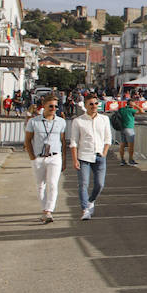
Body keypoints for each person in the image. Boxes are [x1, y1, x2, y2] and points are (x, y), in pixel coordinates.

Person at [67, 95, 112, 220]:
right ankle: (85, 209)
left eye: (96, 104)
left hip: (99, 156)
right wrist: (75, 159)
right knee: (83, 184)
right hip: (84, 156)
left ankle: (91, 200)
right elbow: (74, 142)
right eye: (91, 104)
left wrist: (105, 152)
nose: (94, 106)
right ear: (85, 106)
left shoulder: (104, 119)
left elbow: (108, 138)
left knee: (99, 184)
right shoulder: (78, 121)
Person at [25, 94, 66, 223]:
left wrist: (64, 159)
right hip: (39, 157)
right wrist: (32, 157)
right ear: (44, 106)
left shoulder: (61, 122)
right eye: (51, 106)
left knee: (53, 184)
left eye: (55, 106)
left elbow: (63, 141)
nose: (53, 108)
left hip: (54, 156)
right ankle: (44, 210)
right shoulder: (34, 121)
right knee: (40, 185)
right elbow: (27, 140)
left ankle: (49, 211)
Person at [114, 99, 138, 165]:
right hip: (129, 128)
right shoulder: (131, 110)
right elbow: (142, 111)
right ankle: (130, 159)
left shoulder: (121, 109)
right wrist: (136, 106)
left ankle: (122, 160)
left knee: (122, 144)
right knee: (131, 145)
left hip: (122, 128)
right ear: (131, 103)